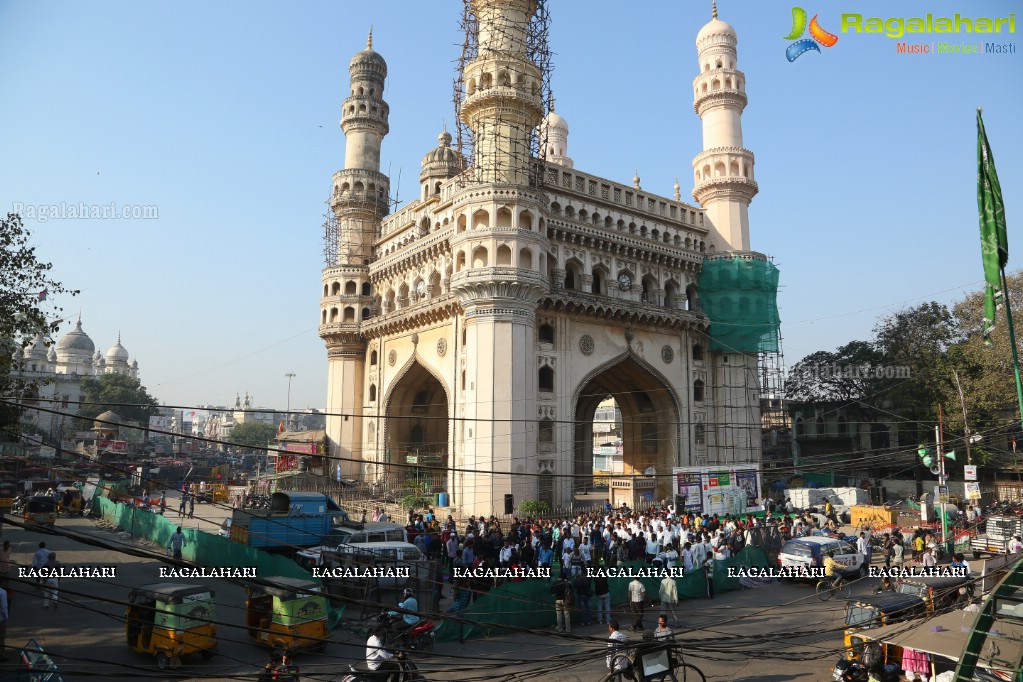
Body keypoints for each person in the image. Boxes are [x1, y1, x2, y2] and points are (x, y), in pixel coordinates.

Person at [0, 584, 8, 662]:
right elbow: (4, 607)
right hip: (1, 619)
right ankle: (2, 655)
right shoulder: (2, 592)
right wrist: (6, 617)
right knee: (1, 638)